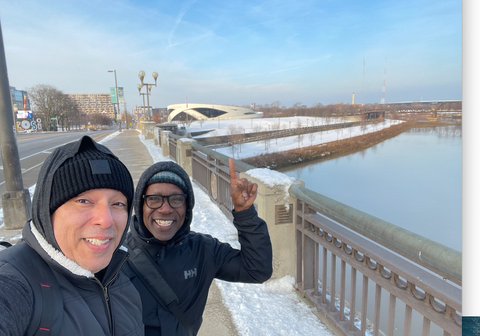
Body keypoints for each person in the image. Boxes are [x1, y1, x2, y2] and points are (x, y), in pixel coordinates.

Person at [0, 136, 144, 335]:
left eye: (118, 203)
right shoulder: (14, 282)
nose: (106, 220)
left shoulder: (118, 275)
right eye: (84, 201)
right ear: (47, 211)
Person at [123, 158, 273, 336]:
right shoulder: (116, 258)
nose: (165, 209)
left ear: (187, 208)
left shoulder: (204, 250)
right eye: (154, 199)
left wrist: (245, 215)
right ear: (140, 206)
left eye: (176, 199)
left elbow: (256, 270)